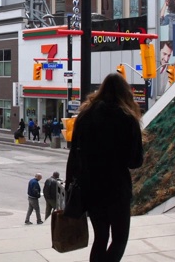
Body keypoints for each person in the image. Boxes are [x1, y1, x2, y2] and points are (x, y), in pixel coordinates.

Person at [65, 73, 143, 262]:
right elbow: (135, 161)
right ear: (125, 93)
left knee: (100, 238)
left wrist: (70, 185)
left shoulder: (85, 116)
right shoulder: (127, 118)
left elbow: (74, 154)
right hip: (117, 188)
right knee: (119, 239)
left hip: (91, 187)